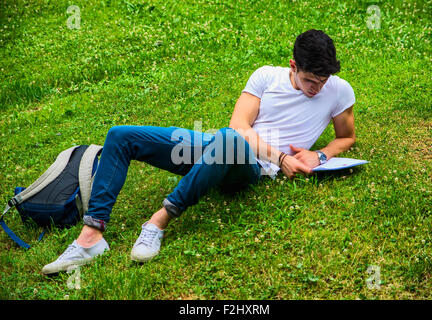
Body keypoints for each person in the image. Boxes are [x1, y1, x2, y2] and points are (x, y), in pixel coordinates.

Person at [42, 29, 356, 275]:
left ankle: (157, 223)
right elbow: (240, 126)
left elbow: (346, 137)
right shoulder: (266, 77)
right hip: (219, 145)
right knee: (121, 136)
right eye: (309, 80)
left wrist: (322, 154)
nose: (316, 88)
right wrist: (283, 158)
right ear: (293, 66)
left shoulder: (339, 90)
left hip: (247, 167)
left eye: (322, 80)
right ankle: (91, 236)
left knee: (228, 141)